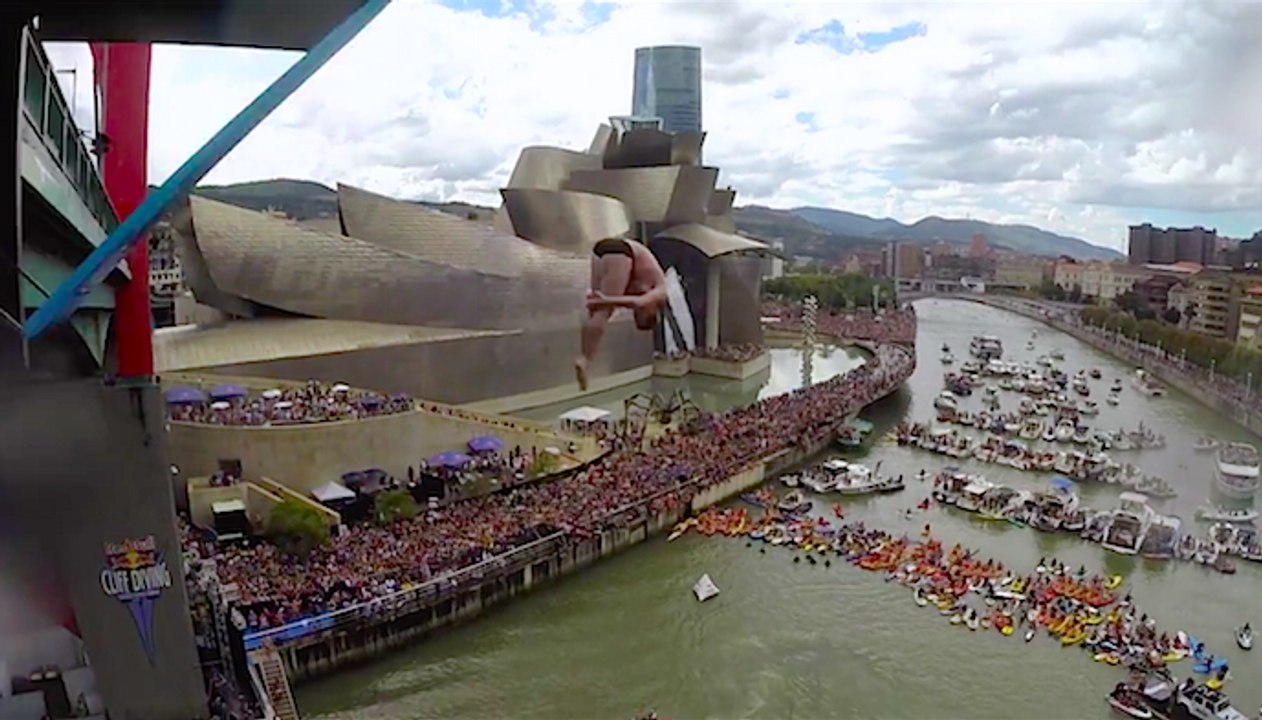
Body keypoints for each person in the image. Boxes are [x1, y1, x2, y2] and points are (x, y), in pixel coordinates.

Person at [575, 237, 668, 390]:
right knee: (603, 311)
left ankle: (584, 356)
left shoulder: (640, 289)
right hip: (623, 251)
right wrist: (607, 301)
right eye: (641, 313)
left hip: (599, 250)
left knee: (596, 310)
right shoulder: (661, 291)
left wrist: (605, 300)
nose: (638, 310)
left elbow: (630, 302)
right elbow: (638, 302)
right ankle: (585, 359)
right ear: (654, 310)